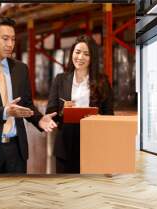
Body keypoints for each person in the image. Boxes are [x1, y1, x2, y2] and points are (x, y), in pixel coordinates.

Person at [0, 17, 57, 174]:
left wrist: (39, 119)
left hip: (16, 149)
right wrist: (5, 112)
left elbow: (26, 103)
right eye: (5, 39)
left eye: (13, 39)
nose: (10, 44)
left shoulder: (20, 69)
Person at [46, 35, 114, 173]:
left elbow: (109, 114)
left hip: (93, 144)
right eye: (77, 52)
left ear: (92, 57)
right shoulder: (60, 79)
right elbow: (50, 113)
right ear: (72, 53)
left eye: (86, 54)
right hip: (65, 145)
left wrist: (98, 117)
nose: (80, 57)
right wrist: (63, 111)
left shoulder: (102, 81)